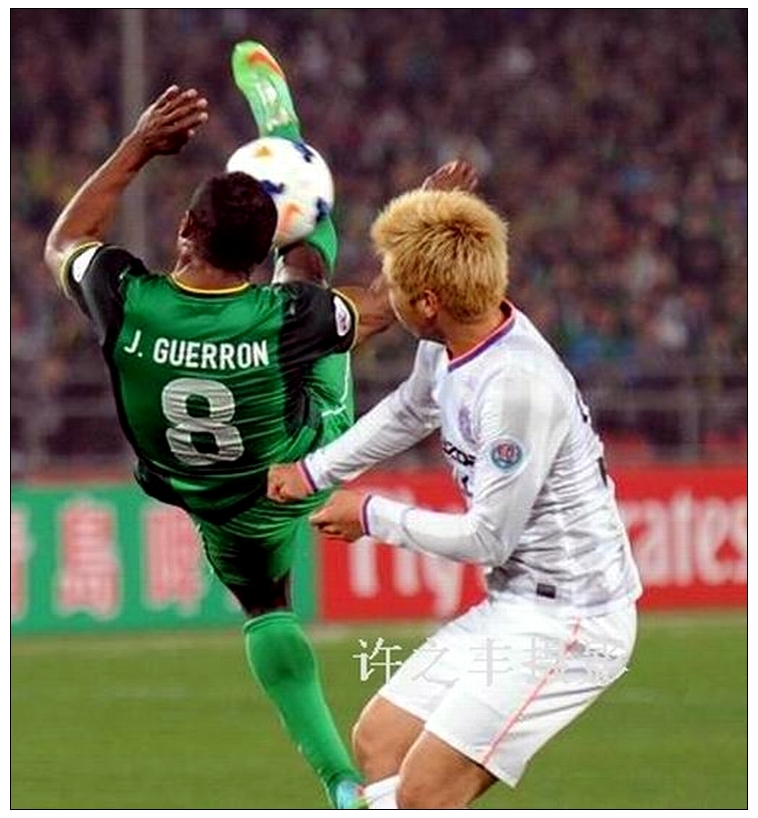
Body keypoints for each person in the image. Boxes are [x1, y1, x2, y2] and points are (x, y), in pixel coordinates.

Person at [43, 39, 474, 809]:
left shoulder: (124, 298)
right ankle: (290, 149)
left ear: (185, 227)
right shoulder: (283, 316)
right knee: (319, 295)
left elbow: (63, 240)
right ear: (255, 258)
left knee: (266, 607)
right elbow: (386, 306)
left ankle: (342, 783)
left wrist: (139, 144)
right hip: (296, 471)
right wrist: (423, 220)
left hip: (203, 495)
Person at [267, 186, 644, 809]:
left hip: (572, 623)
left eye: (393, 282)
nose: (384, 293)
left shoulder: (515, 387)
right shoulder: (452, 343)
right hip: (515, 605)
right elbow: (410, 410)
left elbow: (487, 538)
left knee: (425, 795)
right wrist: (312, 472)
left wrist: (371, 514)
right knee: (379, 743)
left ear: (427, 302)